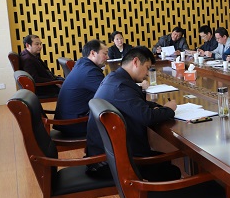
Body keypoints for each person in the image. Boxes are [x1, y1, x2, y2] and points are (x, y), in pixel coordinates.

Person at [85, 47, 181, 182]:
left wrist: (158, 107)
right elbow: (147, 117)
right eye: (147, 68)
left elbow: (138, 103)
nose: (147, 73)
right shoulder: (122, 87)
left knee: (164, 162)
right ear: (135, 62)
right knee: (171, 170)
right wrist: (169, 109)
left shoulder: (115, 78)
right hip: (108, 163)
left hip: (104, 155)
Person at [55, 39, 111, 137]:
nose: (108, 57)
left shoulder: (82, 64)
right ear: (93, 53)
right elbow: (109, 93)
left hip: (68, 120)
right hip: (74, 124)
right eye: (105, 54)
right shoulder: (90, 71)